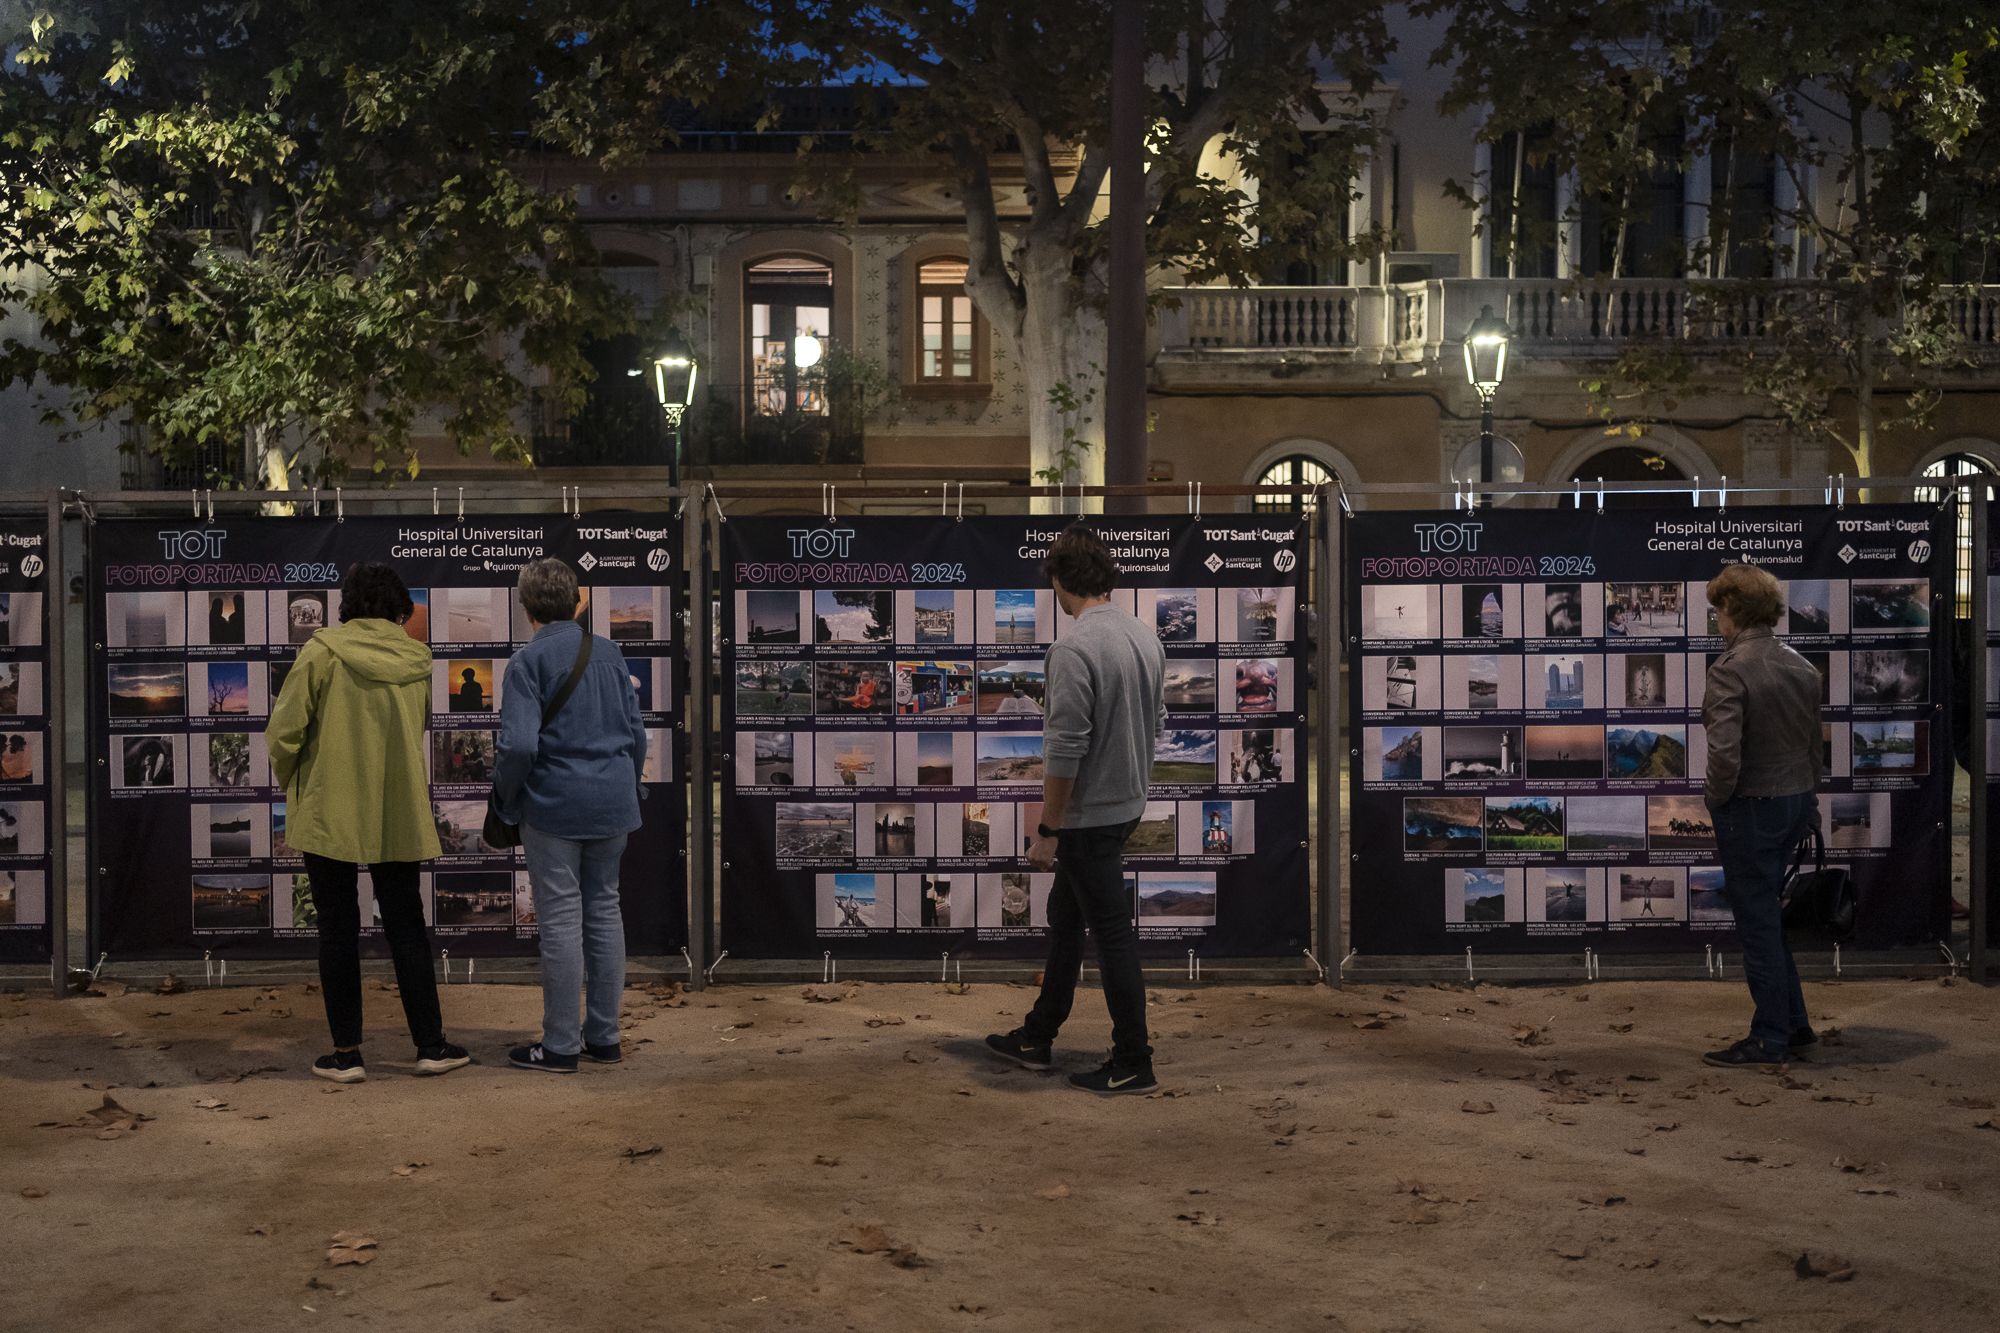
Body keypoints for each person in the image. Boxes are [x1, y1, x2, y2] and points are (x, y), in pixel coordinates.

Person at [265, 563, 470, 1083]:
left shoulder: (320, 652)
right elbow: (417, 728)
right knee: (406, 926)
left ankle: (347, 1054)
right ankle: (430, 1045)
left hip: (330, 806)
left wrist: (299, 782)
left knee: (336, 928)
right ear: (399, 611)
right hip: (395, 807)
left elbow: (283, 734)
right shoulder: (417, 659)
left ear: (347, 607)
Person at [987, 524, 1166, 1094]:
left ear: (1060, 581)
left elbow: (1064, 751)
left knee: (1111, 935)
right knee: (1067, 921)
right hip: (1126, 804)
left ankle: (1134, 1059)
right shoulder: (1144, 637)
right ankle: (1039, 1035)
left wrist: (1048, 829)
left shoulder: (1072, 649)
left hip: (1089, 816)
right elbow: (1156, 725)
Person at [494, 558, 649, 1074]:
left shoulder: (526, 662)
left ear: (525, 606)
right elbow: (637, 734)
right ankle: (603, 1037)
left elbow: (517, 746)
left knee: (560, 921)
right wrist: (626, 784)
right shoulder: (609, 652)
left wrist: (509, 801)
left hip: (554, 806)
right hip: (613, 804)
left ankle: (559, 1045)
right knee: (605, 911)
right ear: (578, 601)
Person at [1701, 562, 1825, 1070]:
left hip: (1751, 807)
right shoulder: (1802, 666)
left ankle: (1770, 1036)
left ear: (1734, 609)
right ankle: (1794, 1025)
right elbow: (1813, 748)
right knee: (1769, 920)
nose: (1715, 619)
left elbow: (1725, 754)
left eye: (1718, 609)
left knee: (1757, 925)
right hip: (1796, 801)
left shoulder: (1730, 669)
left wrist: (1716, 800)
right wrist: (1809, 803)